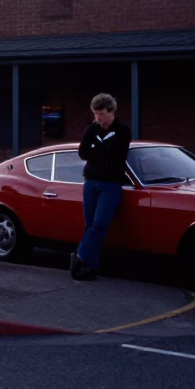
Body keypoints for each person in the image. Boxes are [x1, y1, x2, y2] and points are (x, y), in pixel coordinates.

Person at [71, 93, 132, 281]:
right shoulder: (91, 129)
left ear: (111, 112)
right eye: (95, 114)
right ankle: (90, 268)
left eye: (101, 114)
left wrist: (96, 151)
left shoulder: (123, 131)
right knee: (89, 225)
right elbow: (83, 152)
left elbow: (117, 156)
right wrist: (103, 150)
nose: (98, 118)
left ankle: (79, 256)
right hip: (90, 182)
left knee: (99, 225)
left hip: (111, 184)